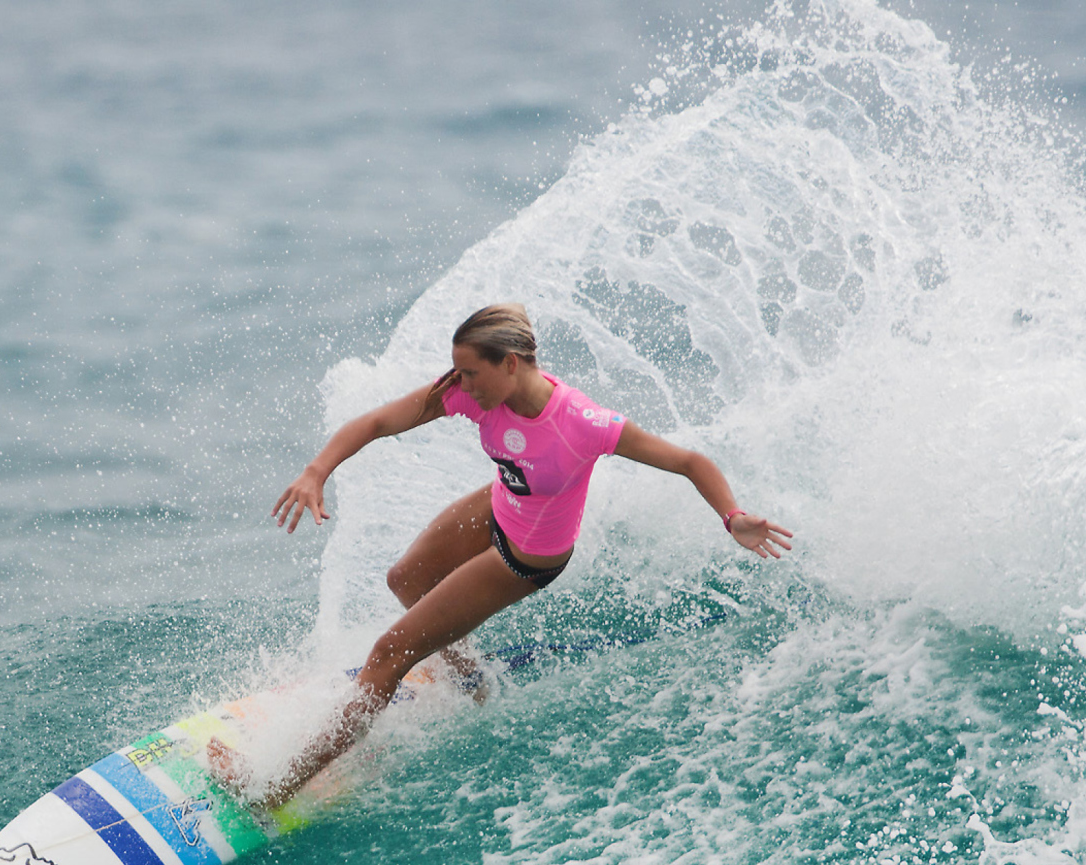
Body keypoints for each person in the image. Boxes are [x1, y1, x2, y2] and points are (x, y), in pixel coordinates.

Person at [211, 302, 792, 809]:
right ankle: (471, 679)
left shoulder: (582, 425)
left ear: (509, 363)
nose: (458, 384)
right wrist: (317, 471)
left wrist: (732, 516)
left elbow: (689, 461)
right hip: (503, 501)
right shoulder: (475, 394)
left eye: (470, 371)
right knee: (406, 577)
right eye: (458, 371)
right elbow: (380, 421)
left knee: (389, 653)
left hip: (529, 555)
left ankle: (271, 788)